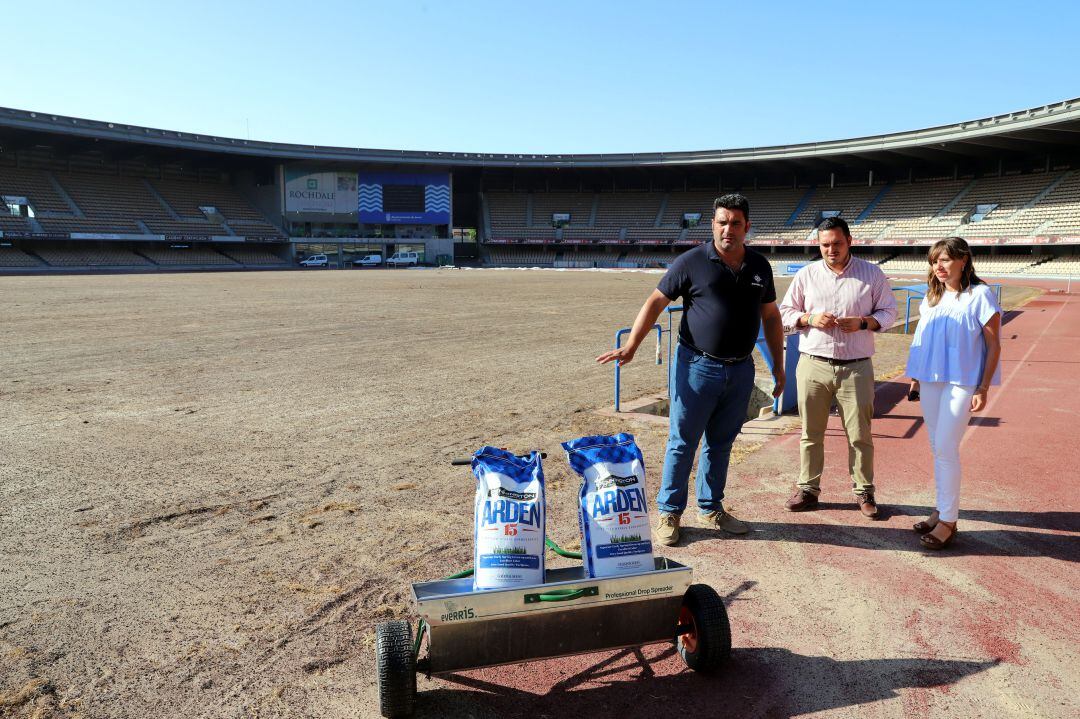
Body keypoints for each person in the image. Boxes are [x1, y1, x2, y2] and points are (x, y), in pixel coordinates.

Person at [596, 193, 785, 546]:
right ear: (713, 224)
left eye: (736, 223)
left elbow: (771, 316)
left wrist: (780, 367)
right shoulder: (692, 261)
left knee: (722, 443)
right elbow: (656, 301)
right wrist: (632, 345)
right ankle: (669, 512)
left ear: (747, 227)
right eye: (722, 222)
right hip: (697, 367)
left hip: (740, 369)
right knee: (682, 443)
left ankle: (711, 508)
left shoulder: (759, 266)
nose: (729, 229)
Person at [778, 217, 898, 518]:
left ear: (849, 241)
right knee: (810, 432)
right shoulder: (807, 274)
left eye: (837, 243)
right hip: (813, 365)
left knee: (859, 434)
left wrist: (862, 323)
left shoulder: (872, 274)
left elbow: (889, 312)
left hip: (856, 366)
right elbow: (785, 313)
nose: (831, 249)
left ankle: (864, 490)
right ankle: (808, 488)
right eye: (825, 245)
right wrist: (808, 319)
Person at [905, 237, 1001, 549]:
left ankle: (948, 520)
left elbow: (993, 344)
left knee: (946, 446)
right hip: (931, 379)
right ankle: (940, 509)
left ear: (963, 260)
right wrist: (916, 378)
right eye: (935, 261)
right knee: (937, 446)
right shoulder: (931, 297)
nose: (939, 267)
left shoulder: (980, 295)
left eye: (945, 260)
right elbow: (922, 338)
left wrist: (983, 387)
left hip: (962, 381)